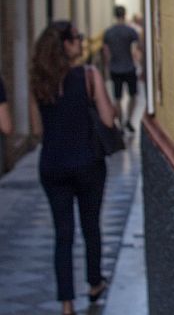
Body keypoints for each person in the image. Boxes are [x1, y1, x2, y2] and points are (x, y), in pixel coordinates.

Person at [30, 21, 116, 315]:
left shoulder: (39, 82)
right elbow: (107, 120)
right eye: (77, 38)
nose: (81, 42)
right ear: (65, 45)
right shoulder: (89, 76)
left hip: (52, 165)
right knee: (91, 226)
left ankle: (67, 304)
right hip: (88, 164)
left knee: (62, 234)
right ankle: (94, 284)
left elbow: (37, 129)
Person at [103, 5, 139, 131]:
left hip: (115, 68)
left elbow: (106, 52)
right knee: (133, 95)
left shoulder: (109, 33)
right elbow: (138, 43)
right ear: (124, 15)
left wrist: (108, 67)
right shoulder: (129, 31)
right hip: (129, 66)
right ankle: (128, 120)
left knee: (117, 98)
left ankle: (121, 122)